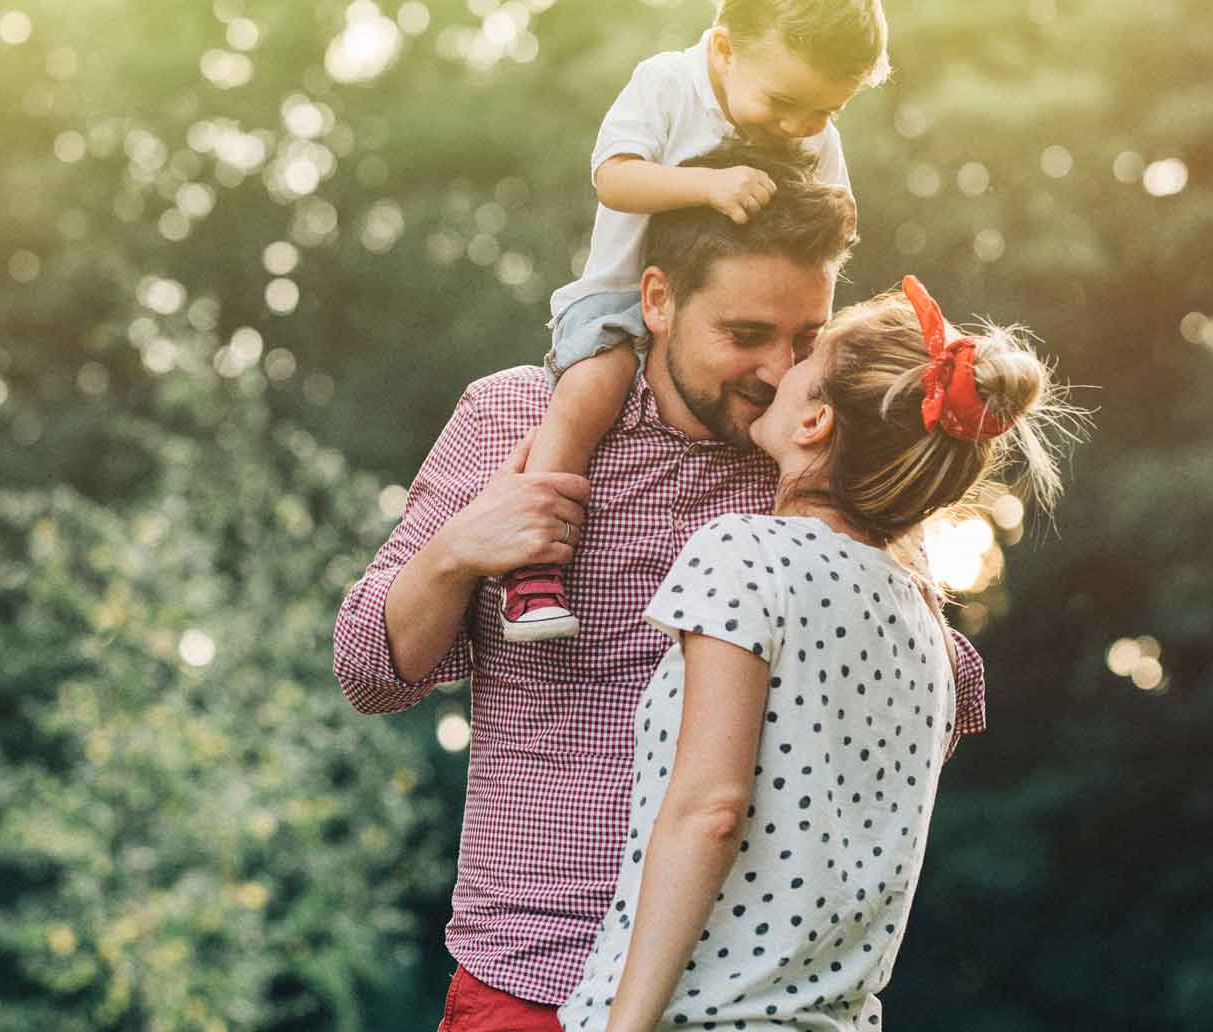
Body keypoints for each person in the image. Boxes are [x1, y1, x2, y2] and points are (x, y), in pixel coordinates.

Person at [331, 142, 987, 1031]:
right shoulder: (517, 418)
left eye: (803, 340)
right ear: (657, 301)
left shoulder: (810, 477)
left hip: (727, 995)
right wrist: (457, 551)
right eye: (744, 334)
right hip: (532, 970)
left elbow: (940, 699)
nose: (773, 370)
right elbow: (371, 672)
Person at [558, 277, 1077, 1031]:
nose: (778, 369)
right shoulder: (930, 633)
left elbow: (710, 810)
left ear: (814, 420)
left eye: (804, 359)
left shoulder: (744, 555)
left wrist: (624, 1024)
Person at [501, 0, 892, 643]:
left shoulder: (811, 131)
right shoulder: (667, 85)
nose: (799, 126)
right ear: (723, 51)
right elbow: (615, 179)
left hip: (722, 290)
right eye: (782, 102)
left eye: (824, 111)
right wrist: (709, 188)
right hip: (618, 296)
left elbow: (830, 224)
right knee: (589, 393)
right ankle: (532, 566)